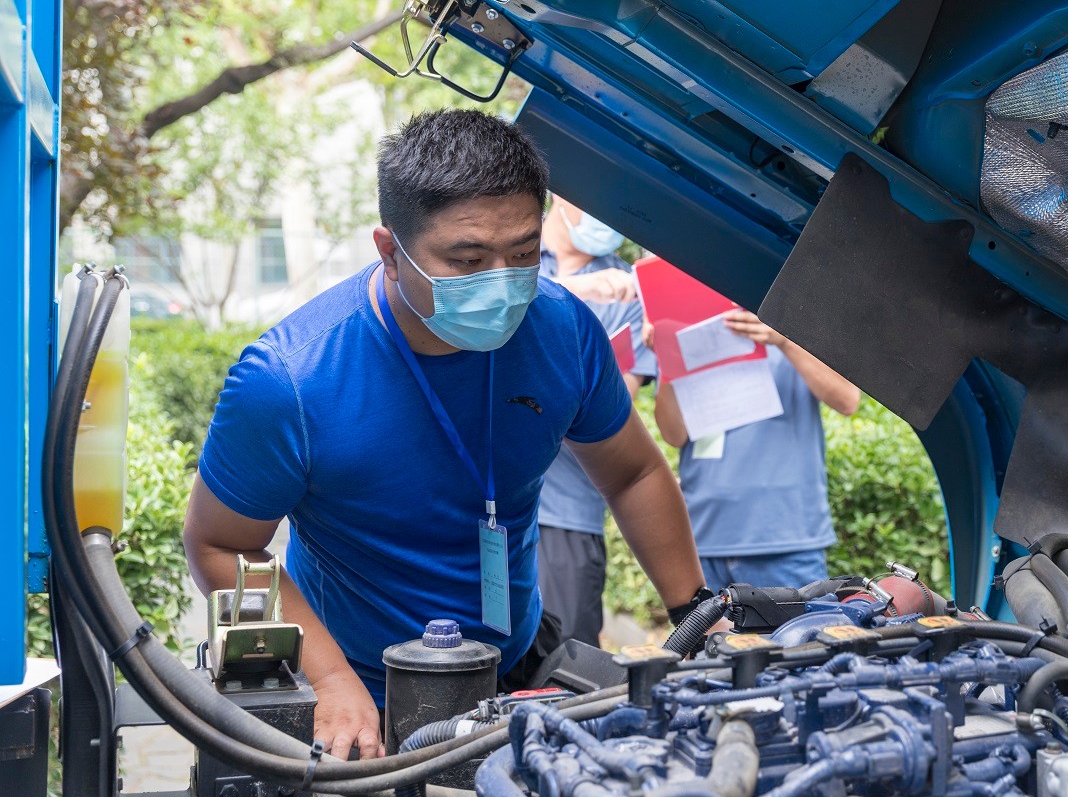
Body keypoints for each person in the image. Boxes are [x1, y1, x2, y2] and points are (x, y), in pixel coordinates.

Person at [183, 110, 709, 762]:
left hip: (511, 662)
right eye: (467, 261)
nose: (503, 283)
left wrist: (695, 610)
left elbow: (632, 474)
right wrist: (327, 680)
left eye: (521, 254)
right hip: (358, 687)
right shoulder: (290, 380)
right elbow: (217, 545)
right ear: (390, 252)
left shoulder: (563, 330)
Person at [649, 310, 860, 590]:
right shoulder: (688, 323)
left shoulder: (801, 317)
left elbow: (847, 400)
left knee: (796, 635)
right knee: (706, 637)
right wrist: (668, 357)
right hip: (702, 536)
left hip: (782, 536)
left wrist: (784, 341)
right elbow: (673, 434)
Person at [535, 195, 656, 646]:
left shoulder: (627, 289)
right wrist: (571, 296)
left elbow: (607, 412)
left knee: (562, 665)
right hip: (479, 511)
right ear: (561, 195)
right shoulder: (504, 261)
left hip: (567, 512)